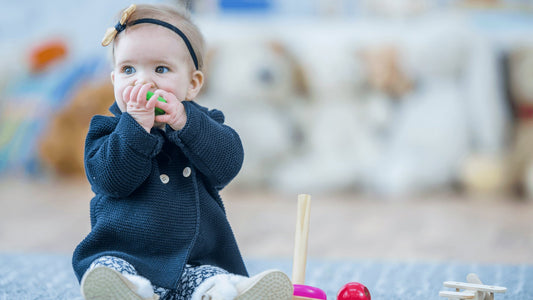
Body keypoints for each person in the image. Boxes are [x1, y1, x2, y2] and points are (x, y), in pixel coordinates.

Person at [72, 4, 293, 300]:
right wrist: (135, 129)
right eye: (128, 69)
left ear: (192, 84)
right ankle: (131, 293)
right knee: (108, 270)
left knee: (211, 278)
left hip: (191, 261)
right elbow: (111, 181)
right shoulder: (107, 133)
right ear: (114, 81)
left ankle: (225, 293)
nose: (142, 81)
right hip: (126, 256)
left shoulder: (203, 126)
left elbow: (228, 165)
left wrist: (185, 124)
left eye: (161, 69)